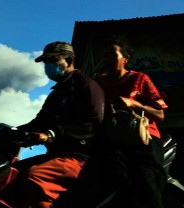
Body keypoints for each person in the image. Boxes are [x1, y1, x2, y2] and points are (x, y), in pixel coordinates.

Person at [57, 38, 168, 208]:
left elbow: (159, 115)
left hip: (143, 139)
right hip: (112, 141)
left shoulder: (140, 79)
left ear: (126, 58)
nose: (107, 59)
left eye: (112, 55)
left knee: (147, 179)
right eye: (104, 56)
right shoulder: (97, 83)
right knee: (107, 177)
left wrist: (135, 104)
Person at [14, 41, 104, 208]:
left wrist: (51, 134)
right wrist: (11, 132)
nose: (47, 66)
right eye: (45, 63)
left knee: (35, 178)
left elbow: (92, 124)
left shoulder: (86, 86)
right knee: (10, 174)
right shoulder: (57, 93)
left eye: (52, 61)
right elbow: (39, 122)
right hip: (57, 155)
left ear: (68, 61)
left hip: (80, 157)